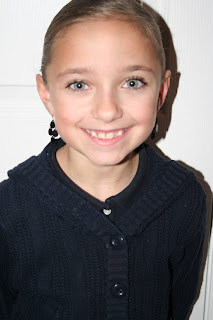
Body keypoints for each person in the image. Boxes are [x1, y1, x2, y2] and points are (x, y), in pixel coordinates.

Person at [0, 0, 206, 319]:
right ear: (46, 93)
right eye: (79, 84)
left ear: (162, 92)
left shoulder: (186, 197)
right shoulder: (8, 208)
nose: (108, 111)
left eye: (132, 82)